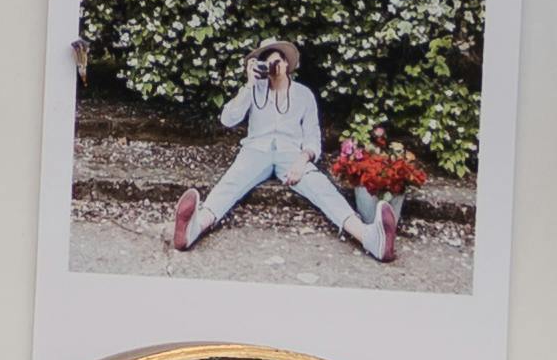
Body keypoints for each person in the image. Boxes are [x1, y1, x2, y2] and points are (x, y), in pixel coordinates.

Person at [170, 36, 399, 261]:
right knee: (230, 183)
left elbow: (312, 138)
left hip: (291, 154)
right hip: (255, 151)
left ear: (287, 63)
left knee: (321, 188)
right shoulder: (255, 89)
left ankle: (369, 238)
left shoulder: (303, 95)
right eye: (266, 62)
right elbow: (228, 119)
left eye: (276, 61)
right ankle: (194, 228)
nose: (272, 66)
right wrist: (249, 84)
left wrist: (302, 161)